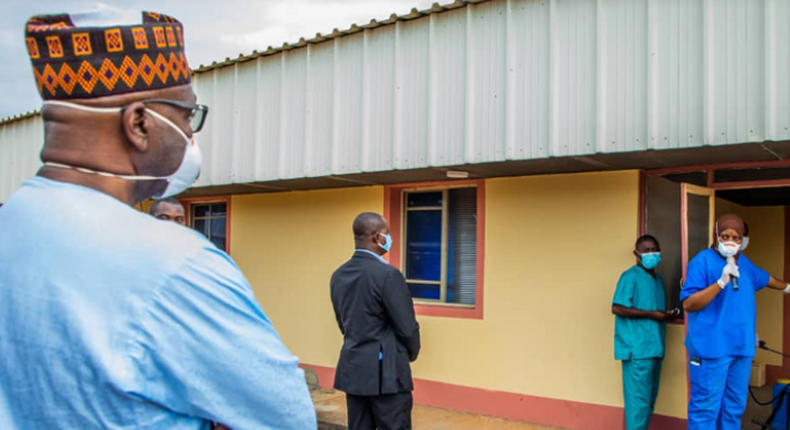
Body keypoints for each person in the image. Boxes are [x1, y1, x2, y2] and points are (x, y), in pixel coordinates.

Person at [0, 11, 315, 430]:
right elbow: (286, 419)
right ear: (139, 123)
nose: (190, 137)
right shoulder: (177, 265)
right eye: (188, 118)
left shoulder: (12, 225)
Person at [682, 214, 790, 430]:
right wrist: (721, 282)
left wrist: (788, 287)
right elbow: (689, 304)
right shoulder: (702, 262)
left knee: (734, 407)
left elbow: (768, 279)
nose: (731, 242)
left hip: (740, 348)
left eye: (736, 238)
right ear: (716, 235)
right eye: (725, 236)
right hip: (710, 350)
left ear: (743, 241)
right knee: (706, 408)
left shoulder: (745, 264)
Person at [331, 212, 421, 430]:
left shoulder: (338, 275)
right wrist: (410, 352)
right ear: (377, 237)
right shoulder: (388, 275)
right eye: (387, 233)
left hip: (354, 369)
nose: (389, 238)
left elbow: (344, 323)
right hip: (387, 374)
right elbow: (407, 327)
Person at [611, 235, 674, 430]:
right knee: (638, 403)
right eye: (646, 250)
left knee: (648, 402)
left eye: (654, 249)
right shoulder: (630, 277)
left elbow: (654, 309)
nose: (651, 253)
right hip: (637, 350)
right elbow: (617, 307)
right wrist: (651, 314)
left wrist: (664, 315)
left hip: (654, 348)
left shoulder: (657, 281)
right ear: (636, 254)